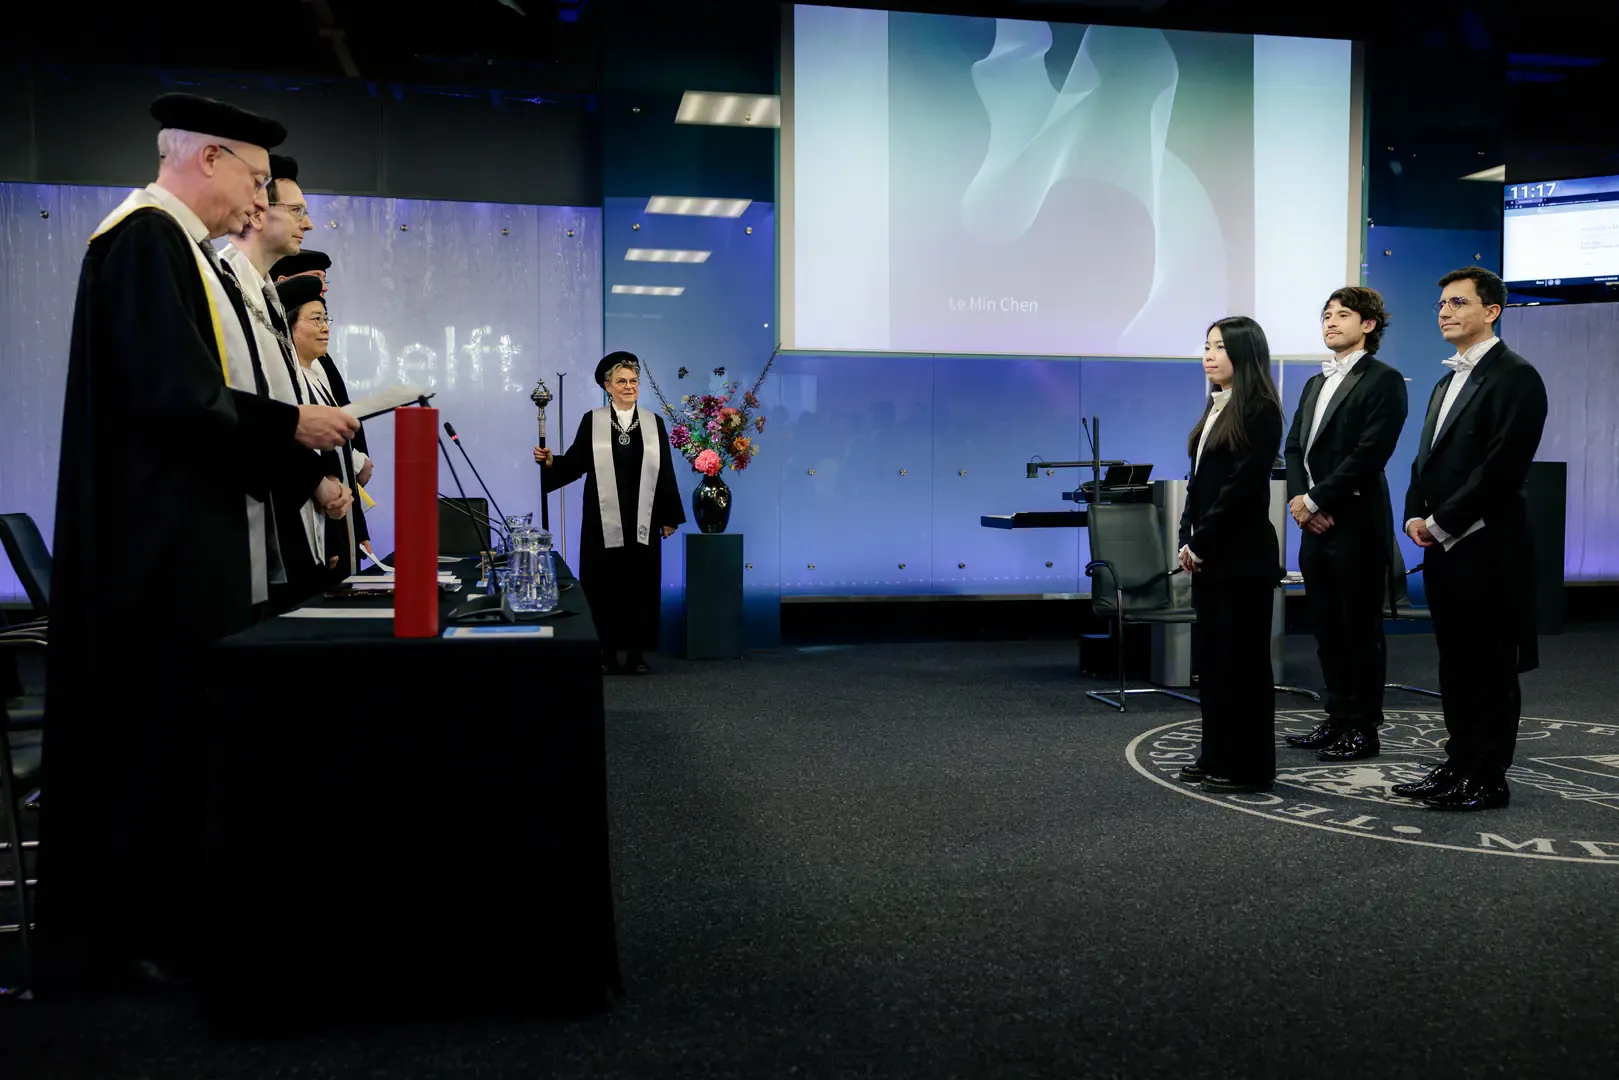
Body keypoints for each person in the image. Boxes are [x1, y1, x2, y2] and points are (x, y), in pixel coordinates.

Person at [44, 93, 358, 982]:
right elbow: (176, 396)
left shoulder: (173, 245)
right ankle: (142, 935)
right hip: (158, 538)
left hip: (171, 527)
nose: (258, 202)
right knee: (156, 734)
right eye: (255, 181)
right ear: (209, 157)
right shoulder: (147, 238)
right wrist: (290, 425)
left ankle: (165, 921)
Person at [1393, 267, 1547, 811]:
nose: (1445, 312)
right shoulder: (1444, 381)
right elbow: (1425, 460)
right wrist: (1414, 514)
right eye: (1441, 304)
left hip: (1487, 545)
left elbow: (1502, 467)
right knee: (1455, 662)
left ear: (1492, 311)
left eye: (1458, 302)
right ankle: (1458, 762)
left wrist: (1442, 521)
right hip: (1444, 545)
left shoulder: (1516, 376)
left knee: (1490, 665)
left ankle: (1487, 776)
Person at [1282, 288, 1408, 762]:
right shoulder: (1315, 382)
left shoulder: (1384, 379)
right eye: (1326, 315)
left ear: (1368, 325)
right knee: (1326, 628)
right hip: (1314, 523)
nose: (1331, 322)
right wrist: (1302, 501)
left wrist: (1316, 499)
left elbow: (1370, 453)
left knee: (1359, 630)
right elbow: (1294, 446)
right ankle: (1336, 717)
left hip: (1356, 521)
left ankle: (1363, 727)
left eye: (1343, 315)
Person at [223, 155, 353, 609]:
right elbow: (236, 407)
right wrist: (311, 476)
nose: (309, 224)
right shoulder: (221, 284)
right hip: (242, 514)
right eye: (298, 211)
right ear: (259, 212)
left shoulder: (266, 297)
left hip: (288, 508)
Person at [1176, 316, 1286, 794]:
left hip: (1242, 557)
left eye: (1219, 347)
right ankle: (1216, 754)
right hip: (1212, 557)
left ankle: (1250, 768)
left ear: (1245, 353)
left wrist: (1201, 542)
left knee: (1244, 667)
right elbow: (1198, 486)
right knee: (1215, 665)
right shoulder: (1214, 406)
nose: (1209, 355)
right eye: (1206, 346)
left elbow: (1241, 488)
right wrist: (1186, 536)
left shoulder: (1261, 409)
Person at [534, 352, 686, 674]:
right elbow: (576, 462)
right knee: (603, 586)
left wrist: (668, 515)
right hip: (601, 520)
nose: (629, 386)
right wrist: (551, 462)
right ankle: (606, 653)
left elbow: (665, 471)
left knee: (640, 586)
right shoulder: (593, 421)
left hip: (643, 517)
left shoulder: (654, 423)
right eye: (621, 381)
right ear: (607, 386)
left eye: (633, 381)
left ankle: (636, 654)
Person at [277, 273, 366, 580]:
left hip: (339, 513)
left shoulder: (317, 375)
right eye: (315, 319)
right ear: (288, 325)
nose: (325, 327)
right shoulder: (288, 381)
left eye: (326, 319)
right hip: (311, 518)